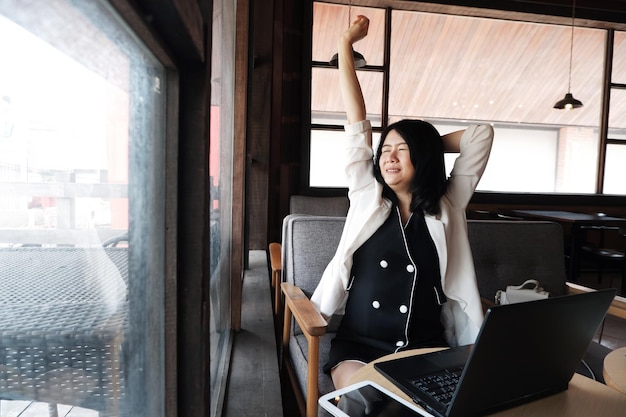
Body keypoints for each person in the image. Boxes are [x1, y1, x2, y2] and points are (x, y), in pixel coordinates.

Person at [310, 15, 494, 390]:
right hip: (359, 345)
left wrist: (425, 143)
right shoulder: (368, 196)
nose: (388, 157)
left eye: (402, 150)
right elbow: (356, 124)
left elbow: (481, 134)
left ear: (422, 158)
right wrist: (345, 46)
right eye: (385, 150)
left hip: (423, 347)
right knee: (362, 404)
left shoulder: (448, 205)